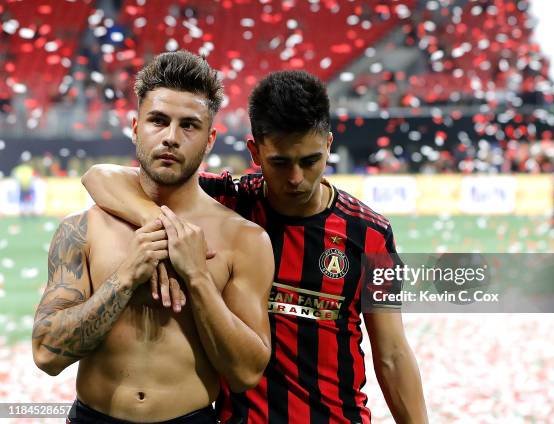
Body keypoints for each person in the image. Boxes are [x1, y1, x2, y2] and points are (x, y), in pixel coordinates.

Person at [82, 70, 428, 423]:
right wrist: (163, 224)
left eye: (309, 161)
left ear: (327, 145)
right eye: (280, 162)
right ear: (256, 151)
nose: (296, 178)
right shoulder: (229, 202)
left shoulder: (371, 234)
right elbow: (99, 176)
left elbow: (393, 355)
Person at [32, 51, 274, 423]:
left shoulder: (244, 239)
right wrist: (125, 277)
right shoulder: (82, 229)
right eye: (158, 121)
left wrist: (197, 278)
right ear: (135, 127)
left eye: (189, 125)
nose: (171, 138)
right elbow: (47, 355)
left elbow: (245, 374)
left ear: (210, 139)